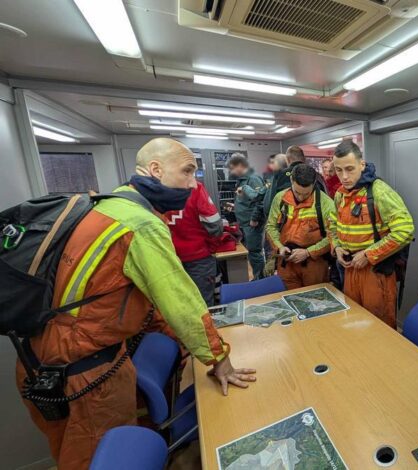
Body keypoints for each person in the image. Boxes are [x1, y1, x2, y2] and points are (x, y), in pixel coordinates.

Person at [15, 138, 256, 470]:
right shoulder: (139, 223)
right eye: (186, 172)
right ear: (155, 170)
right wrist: (219, 359)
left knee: (73, 453)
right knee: (95, 458)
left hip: (46, 361)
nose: (191, 183)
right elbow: (181, 302)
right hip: (84, 370)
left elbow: (139, 299)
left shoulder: (109, 204)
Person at [328, 140, 414, 328]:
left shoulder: (379, 191)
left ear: (362, 164)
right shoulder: (340, 194)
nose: (344, 176)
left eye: (350, 169)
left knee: (379, 326)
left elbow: (405, 230)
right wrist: (338, 247)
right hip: (350, 269)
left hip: (375, 272)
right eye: (338, 170)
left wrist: (368, 255)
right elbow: (333, 224)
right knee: (353, 322)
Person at [265, 163, 336, 289]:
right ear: (291, 180)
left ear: (314, 184)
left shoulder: (326, 204)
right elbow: (271, 227)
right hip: (286, 262)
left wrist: (308, 252)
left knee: (316, 303)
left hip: (315, 265)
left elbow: (334, 236)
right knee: (289, 301)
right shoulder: (280, 198)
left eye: (306, 193)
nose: (301, 197)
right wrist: (280, 247)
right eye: (297, 192)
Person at [165, 181, 223, 306]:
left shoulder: (152, 189)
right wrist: (210, 249)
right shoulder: (194, 187)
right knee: (203, 306)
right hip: (198, 258)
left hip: (167, 259)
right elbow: (215, 226)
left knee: (177, 306)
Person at [227, 153, 266, 280]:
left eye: (232, 168)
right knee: (251, 252)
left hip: (252, 223)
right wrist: (235, 206)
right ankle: (256, 277)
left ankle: (260, 280)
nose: (231, 171)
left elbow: (260, 201)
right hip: (244, 222)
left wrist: (254, 219)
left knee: (255, 253)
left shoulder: (253, 179)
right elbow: (247, 201)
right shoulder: (242, 180)